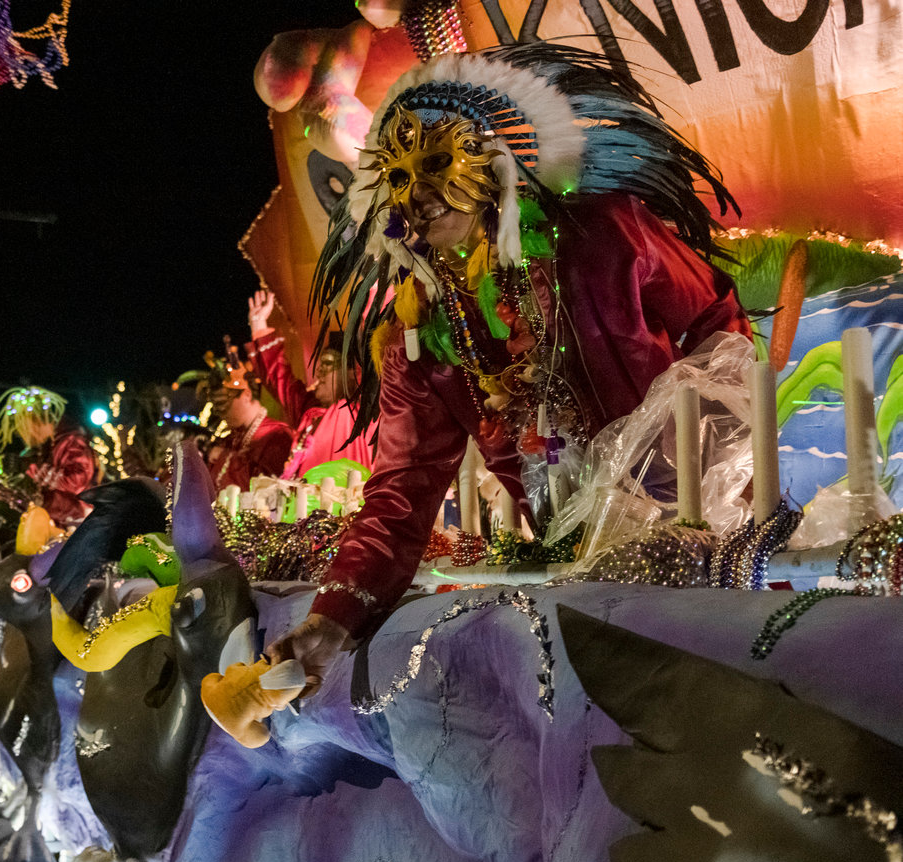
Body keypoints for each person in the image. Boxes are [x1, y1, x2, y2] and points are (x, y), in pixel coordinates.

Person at [268, 43, 751, 689]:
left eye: (439, 164)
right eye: (400, 179)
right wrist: (330, 620)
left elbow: (718, 325)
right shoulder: (419, 338)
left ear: (492, 159)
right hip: (585, 579)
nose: (422, 196)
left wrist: (705, 460)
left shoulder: (606, 235)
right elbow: (401, 493)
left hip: (707, 537)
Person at [245, 289, 374, 478]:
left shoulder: (364, 410)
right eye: (320, 365)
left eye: (329, 363)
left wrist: (371, 289)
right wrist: (258, 323)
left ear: (352, 373)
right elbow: (280, 380)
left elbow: (371, 355)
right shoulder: (310, 411)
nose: (319, 372)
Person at [0, 386, 100, 526]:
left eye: (25, 430)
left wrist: (33, 469)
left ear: (36, 421)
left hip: (79, 521)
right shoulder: (46, 447)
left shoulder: (71, 439)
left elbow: (78, 479)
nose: (26, 438)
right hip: (58, 522)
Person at [202, 357, 294, 492]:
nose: (221, 413)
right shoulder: (231, 438)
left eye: (223, 404)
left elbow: (268, 488)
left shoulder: (278, 436)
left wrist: (224, 458)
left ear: (246, 395)